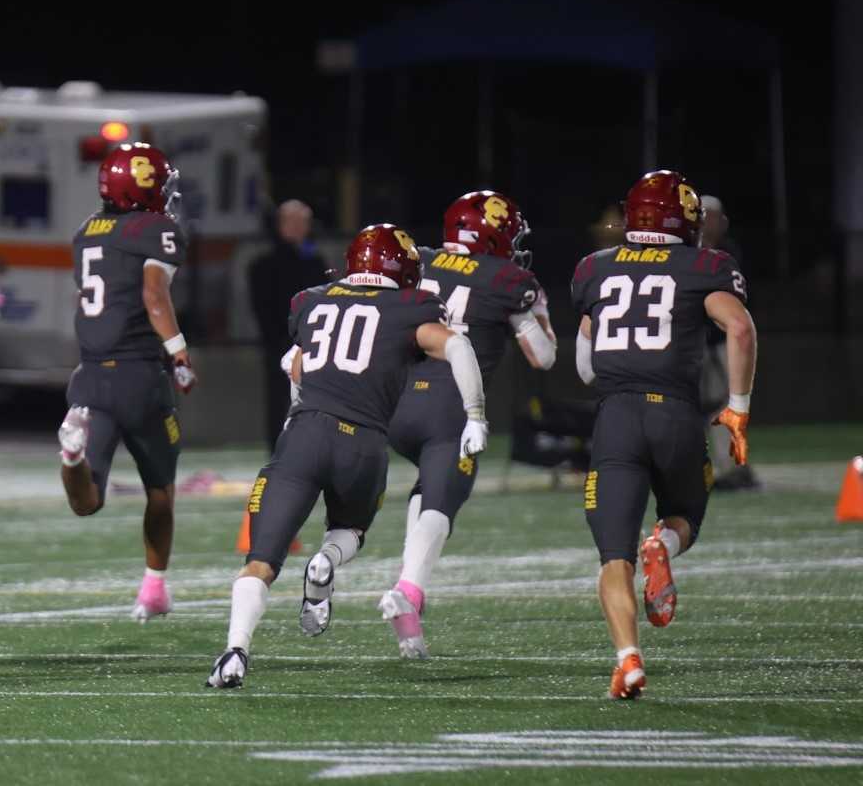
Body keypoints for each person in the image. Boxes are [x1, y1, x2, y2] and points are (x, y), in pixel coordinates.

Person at [206, 224, 488, 689]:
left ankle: (235, 651)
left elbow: (295, 363)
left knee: (259, 561)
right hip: (362, 443)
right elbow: (457, 345)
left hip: (303, 433)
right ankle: (326, 563)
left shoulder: (311, 300)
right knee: (349, 530)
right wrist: (474, 414)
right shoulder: (411, 306)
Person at [571, 170, 755, 699]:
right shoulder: (707, 265)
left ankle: (628, 661)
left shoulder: (594, 268)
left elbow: (585, 364)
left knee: (613, 558)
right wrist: (737, 408)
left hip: (616, 420)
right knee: (687, 515)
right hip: (675, 413)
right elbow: (739, 328)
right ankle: (664, 543)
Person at [379, 191, 558, 659]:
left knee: (427, 488)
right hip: (450, 406)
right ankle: (409, 591)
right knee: (442, 497)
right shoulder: (507, 280)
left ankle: (410, 625)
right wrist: (537, 308)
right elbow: (543, 356)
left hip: (395, 403)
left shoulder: (420, 261)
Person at [57, 143, 196, 623]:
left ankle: (71, 456)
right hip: (139, 375)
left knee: (87, 501)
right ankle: (153, 587)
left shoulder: (84, 232)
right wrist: (178, 350)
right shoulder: (157, 230)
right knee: (160, 488)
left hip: (89, 378)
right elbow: (154, 295)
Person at [248, 200, 329, 451]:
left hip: (316, 343)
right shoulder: (264, 264)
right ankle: (279, 452)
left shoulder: (316, 261)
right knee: (279, 401)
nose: (297, 227)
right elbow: (263, 307)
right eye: (291, 221)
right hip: (279, 343)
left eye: (302, 222)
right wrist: (279, 339)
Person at [698, 195, 759, 491]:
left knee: (727, 404)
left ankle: (731, 466)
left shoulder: (727, 254)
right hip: (693, 344)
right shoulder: (688, 252)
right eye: (703, 215)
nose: (708, 221)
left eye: (712, 216)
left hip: (723, 340)